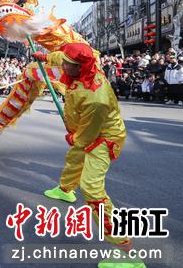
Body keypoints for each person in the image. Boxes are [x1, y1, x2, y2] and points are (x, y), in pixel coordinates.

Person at [33, 44, 139, 264]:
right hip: (89, 130)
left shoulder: (96, 98)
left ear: (79, 67)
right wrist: (43, 56)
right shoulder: (82, 67)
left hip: (103, 138)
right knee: (74, 159)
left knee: (91, 188)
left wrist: (74, 137)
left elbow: (88, 134)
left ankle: (124, 249)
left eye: (67, 65)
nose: (62, 66)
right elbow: (60, 56)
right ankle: (65, 190)